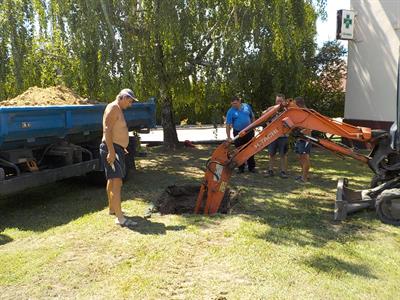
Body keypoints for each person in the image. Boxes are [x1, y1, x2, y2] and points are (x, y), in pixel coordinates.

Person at [100, 88, 138, 227]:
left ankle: (112, 209)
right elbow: (107, 130)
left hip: (117, 149)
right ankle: (120, 218)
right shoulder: (113, 108)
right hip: (112, 149)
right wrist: (111, 151)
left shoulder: (117, 109)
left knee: (112, 179)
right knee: (117, 182)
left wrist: (122, 147)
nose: (130, 104)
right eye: (130, 101)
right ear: (123, 97)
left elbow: (116, 131)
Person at [226, 95, 256, 173]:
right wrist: (228, 137)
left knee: (250, 149)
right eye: (232, 104)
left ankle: (251, 167)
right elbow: (228, 125)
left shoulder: (247, 106)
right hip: (238, 133)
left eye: (235, 103)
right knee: (239, 150)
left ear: (239, 101)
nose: (233, 105)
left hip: (249, 132)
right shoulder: (230, 111)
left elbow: (252, 116)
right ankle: (241, 168)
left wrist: (254, 126)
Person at [265, 94, 289, 178]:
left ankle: (283, 172)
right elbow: (263, 116)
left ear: (284, 101)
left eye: (280, 101)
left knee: (283, 155)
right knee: (271, 154)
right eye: (277, 100)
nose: (279, 102)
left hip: (283, 136)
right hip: (273, 136)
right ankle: (270, 170)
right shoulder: (271, 109)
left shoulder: (287, 110)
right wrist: (268, 111)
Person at [294, 96, 311, 183]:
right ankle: (303, 175)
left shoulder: (306, 112)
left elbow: (309, 127)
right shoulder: (300, 112)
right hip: (299, 138)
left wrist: (301, 132)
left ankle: (304, 178)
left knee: (305, 157)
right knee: (300, 157)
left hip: (305, 139)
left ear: (298, 104)